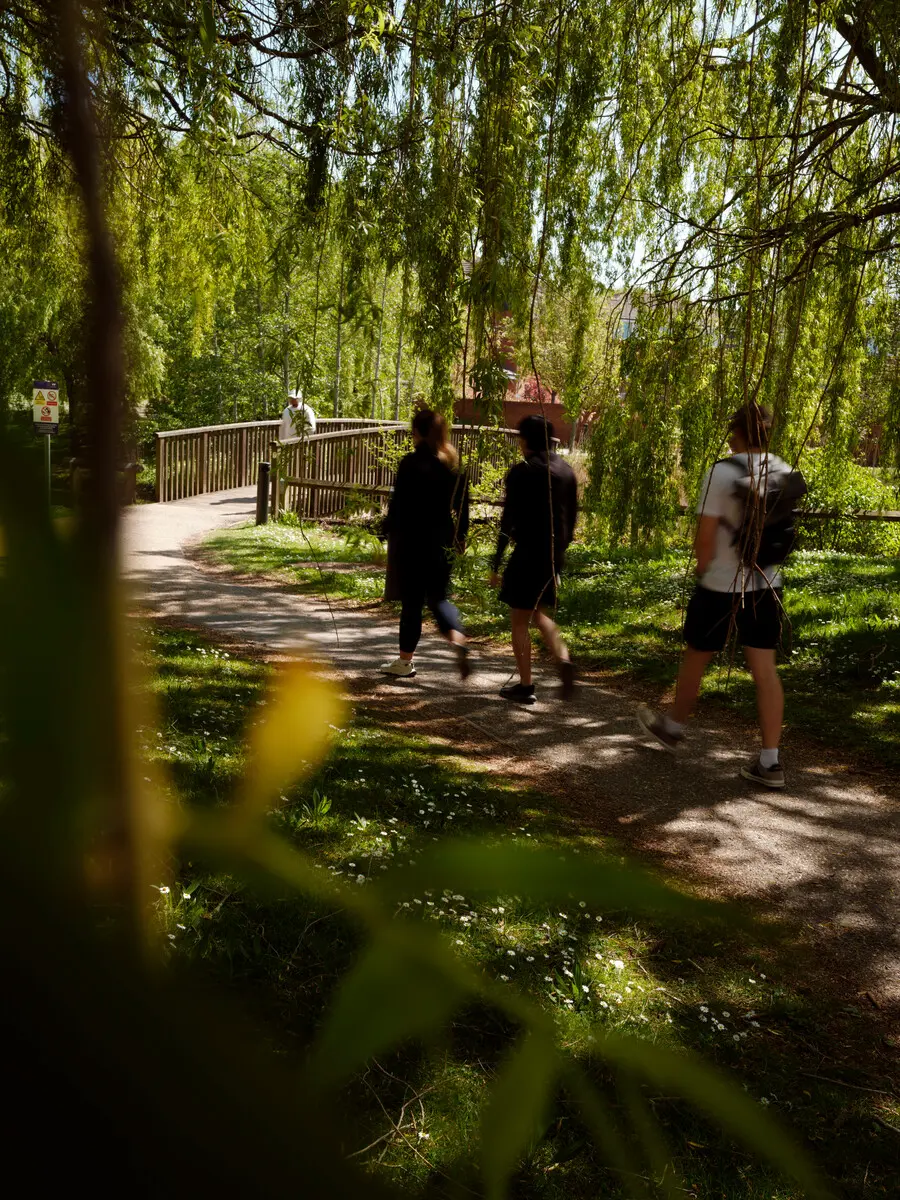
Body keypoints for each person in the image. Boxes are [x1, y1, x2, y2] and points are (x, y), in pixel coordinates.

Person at [637, 402, 799, 788]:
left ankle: (673, 727)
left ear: (737, 433)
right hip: (766, 583)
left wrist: (700, 567)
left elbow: (705, 538)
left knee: (696, 656)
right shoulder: (782, 468)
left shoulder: (722, 472)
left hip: (720, 585)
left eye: (732, 431)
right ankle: (770, 763)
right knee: (765, 671)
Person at [489, 414, 578, 704]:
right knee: (540, 614)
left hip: (527, 553)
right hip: (554, 555)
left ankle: (526, 686)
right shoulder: (566, 471)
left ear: (524, 440)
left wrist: (496, 563)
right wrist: (560, 552)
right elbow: (573, 517)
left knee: (519, 619)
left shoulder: (522, 471)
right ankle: (563, 657)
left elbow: (508, 520)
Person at [379, 409, 471, 680]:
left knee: (412, 603)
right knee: (439, 598)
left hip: (412, 541)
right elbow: (463, 507)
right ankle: (458, 639)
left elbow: (398, 505)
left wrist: (384, 532)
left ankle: (405, 661)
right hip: (442, 539)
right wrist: (460, 537)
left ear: (416, 432)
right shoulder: (453, 465)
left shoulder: (410, 463)